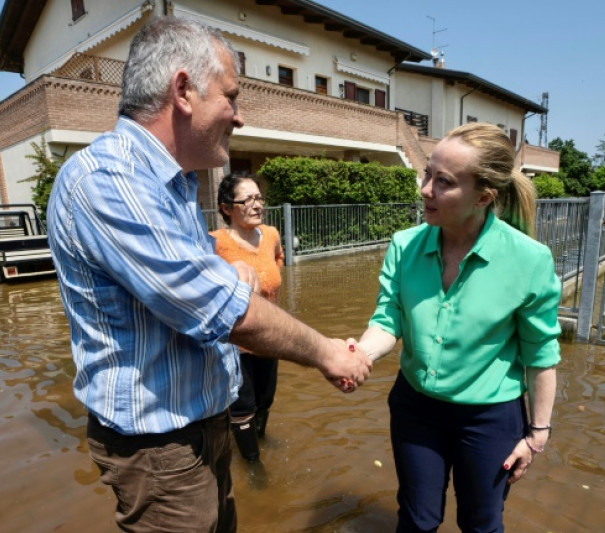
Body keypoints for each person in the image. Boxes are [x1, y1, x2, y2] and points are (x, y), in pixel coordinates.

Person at [45, 18, 371, 533]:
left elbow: (205, 294)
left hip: (201, 429)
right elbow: (225, 311)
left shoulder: (172, 186)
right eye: (231, 97)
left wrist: (231, 282)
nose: (238, 117)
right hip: (161, 449)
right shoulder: (107, 180)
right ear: (183, 91)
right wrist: (329, 353)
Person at [355, 123, 561, 532]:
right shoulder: (404, 245)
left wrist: (537, 436)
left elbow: (540, 355)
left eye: (443, 181)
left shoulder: (530, 260)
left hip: (490, 418)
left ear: (484, 197)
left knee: (481, 524)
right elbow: (388, 317)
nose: (425, 189)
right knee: (417, 520)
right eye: (427, 173)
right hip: (415, 408)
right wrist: (358, 356)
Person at [210, 175, 283, 462]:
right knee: (243, 406)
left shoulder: (272, 235)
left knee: (266, 399)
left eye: (259, 198)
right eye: (248, 200)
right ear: (227, 208)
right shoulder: (215, 243)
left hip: (270, 336)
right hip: (235, 342)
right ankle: (253, 466)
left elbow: (278, 259)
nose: (257, 205)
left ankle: (259, 439)